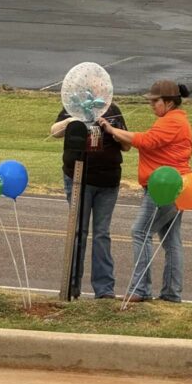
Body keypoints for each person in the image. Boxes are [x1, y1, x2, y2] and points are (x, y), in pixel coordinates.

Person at [100, 80, 192, 303]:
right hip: (176, 186)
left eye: (155, 101)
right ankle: (171, 294)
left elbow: (146, 141)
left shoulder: (173, 122)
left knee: (140, 232)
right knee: (171, 241)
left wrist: (113, 130)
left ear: (169, 102)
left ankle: (140, 290)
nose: (151, 105)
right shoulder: (173, 120)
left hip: (163, 188)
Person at [50, 102, 128, 298]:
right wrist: (71, 120)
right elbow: (55, 131)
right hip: (78, 179)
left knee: (102, 234)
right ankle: (72, 285)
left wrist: (111, 129)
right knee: (79, 231)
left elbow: (126, 145)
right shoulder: (73, 107)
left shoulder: (113, 111)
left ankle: (104, 290)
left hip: (108, 182)